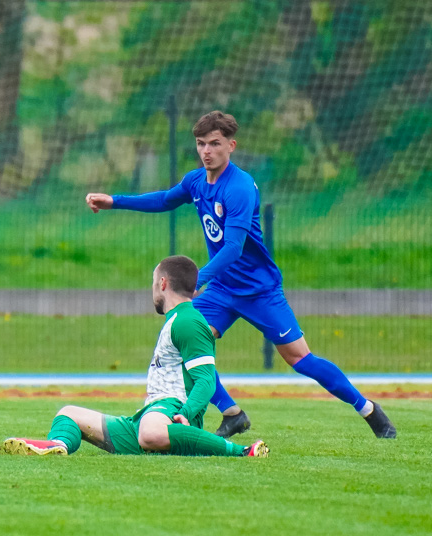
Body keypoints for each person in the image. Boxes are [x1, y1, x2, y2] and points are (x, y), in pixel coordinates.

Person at [85, 111, 395, 439]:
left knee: (300, 358)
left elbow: (233, 248)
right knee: (183, 340)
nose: (207, 151)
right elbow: (164, 200)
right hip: (222, 288)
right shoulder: (195, 181)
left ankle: (368, 409)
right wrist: (114, 201)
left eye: (215, 144)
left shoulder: (240, 187)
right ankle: (233, 414)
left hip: (259, 289)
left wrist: (196, 280)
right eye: (201, 144)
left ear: (231, 146)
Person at [2, 256, 269, 458]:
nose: (153, 289)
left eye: (154, 283)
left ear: (163, 283)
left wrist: (185, 414)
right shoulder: (177, 319)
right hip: (148, 415)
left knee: (151, 433)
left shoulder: (189, 321)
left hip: (170, 413)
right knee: (68, 414)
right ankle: (58, 446)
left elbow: (206, 381)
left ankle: (239, 451)